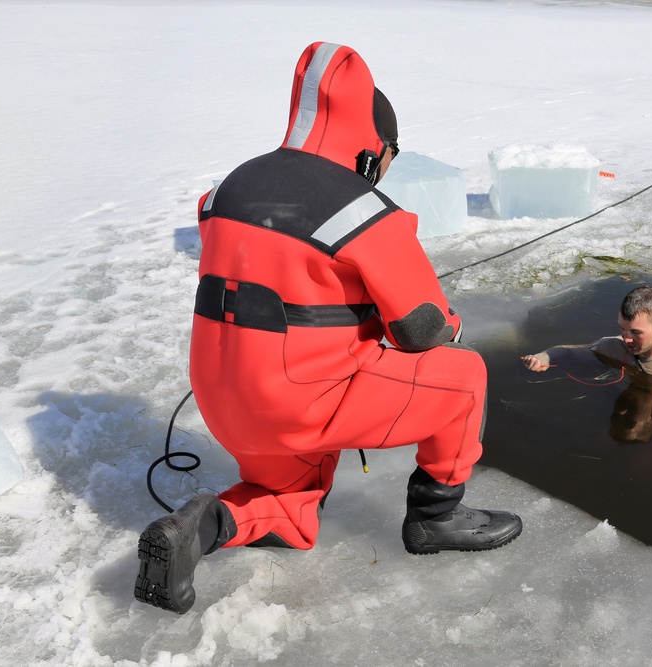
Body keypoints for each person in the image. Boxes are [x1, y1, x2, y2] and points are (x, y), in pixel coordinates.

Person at [134, 42, 521, 615]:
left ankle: (207, 525)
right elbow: (423, 331)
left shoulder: (229, 187)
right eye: (391, 153)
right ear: (373, 146)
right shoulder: (362, 209)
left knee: (292, 509)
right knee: (463, 378)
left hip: (223, 397)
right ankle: (437, 518)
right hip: (302, 398)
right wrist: (442, 326)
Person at [522, 286, 652, 438]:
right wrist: (542, 358)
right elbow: (564, 351)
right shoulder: (613, 346)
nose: (626, 338)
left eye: (636, 332)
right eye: (622, 328)